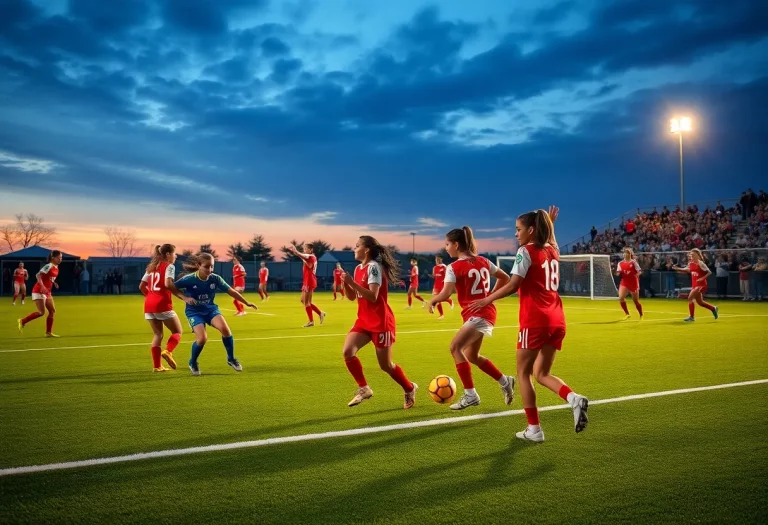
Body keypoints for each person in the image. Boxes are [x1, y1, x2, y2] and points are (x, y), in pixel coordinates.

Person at [467, 207, 589, 443]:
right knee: (542, 373)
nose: (516, 234)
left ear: (531, 230)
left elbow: (513, 285)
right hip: (557, 319)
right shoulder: (553, 250)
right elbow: (550, 239)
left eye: (518, 229)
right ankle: (573, 398)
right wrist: (549, 224)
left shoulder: (526, 251)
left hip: (535, 320)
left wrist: (487, 298)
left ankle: (534, 429)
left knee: (523, 374)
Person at [429, 226, 516, 411]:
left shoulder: (454, 267)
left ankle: (471, 395)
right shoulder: (483, 260)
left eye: (447, 244)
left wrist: (433, 301)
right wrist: (490, 296)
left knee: (455, 347)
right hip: (484, 312)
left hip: (478, 314)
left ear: (457, 244)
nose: (446, 248)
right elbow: (505, 277)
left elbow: (445, 293)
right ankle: (504, 381)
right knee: (472, 355)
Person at [340, 235, 417, 409]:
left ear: (366, 249)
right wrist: (346, 283)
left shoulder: (374, 268)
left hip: (381, 322)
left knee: (386, 366)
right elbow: (352, 297)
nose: (354, 248)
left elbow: (373, 296)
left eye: (357, 245)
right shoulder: (359, 268)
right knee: (348, 351)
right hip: (363, 321)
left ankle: (409, 388)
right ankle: (364, 388)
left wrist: (351, 282)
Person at [174, 253, 257, 375]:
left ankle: (231, 359)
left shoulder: (215, 278)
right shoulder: (189, 279)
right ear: (198, 265)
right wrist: (184, 298)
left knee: (226, 330)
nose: (210, 270)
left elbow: (231, 291)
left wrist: (246, 302)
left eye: (212, 266)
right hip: (194, 312)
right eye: (207, 267)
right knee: (202, 339)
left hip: (211, 310)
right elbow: (171, 287)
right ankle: (193, 362)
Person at [138, 244, 192, 372]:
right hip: (162, 304)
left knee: (158, 334)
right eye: (174, 253)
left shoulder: (151, 267)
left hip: (149, 305)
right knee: (177, 331)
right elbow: (168, 284)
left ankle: (157, 366)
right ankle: (168, 352)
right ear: (168, 254)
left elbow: (141, 286)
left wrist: (151, 297)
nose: (176, 256)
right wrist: (182, 296)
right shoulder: (169, 266)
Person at [17, 250, 62, 338]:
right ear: (53, 258)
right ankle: (22, 321)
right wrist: (42, 286)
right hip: (39, 290)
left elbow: (49, 277)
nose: (60, 259)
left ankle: (48, 332)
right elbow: (38, 275)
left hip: (47, 292)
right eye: (59, 258)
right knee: (41, 312)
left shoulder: (56, 267)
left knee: (52, 311)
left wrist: (54, 282)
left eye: (61, 258)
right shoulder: (48, 266)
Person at [673, 249, 719, 322]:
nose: (692, 256)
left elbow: (709, 272)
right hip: (695, 284)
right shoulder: (690, 263)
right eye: (691, 255)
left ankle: (692, 317)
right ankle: (713, 308)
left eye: (693, 255)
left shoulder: (700, 263)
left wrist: (702, 278)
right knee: (700, 302)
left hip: (701, 284)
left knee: (690, 297)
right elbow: (686, 270)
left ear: (698, 255)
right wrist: (677, 269)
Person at [288, 243, 326, 327]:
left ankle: (311, 321)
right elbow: (301, 255)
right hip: (307, 280)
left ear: (310, 250)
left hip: (309, 280)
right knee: (303, 300)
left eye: (306, 249)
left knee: (307, 302)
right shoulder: (308, 257)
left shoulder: (311, 257)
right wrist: (295, 251)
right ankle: (320, 313)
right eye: (304, 248)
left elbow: (301, 255)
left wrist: (295, 250)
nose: (304, 250)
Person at [615, 248, 643, 320]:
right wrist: (617, 273)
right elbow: (618, 272)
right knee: (621, 298)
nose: (624, 254)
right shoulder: (620, 263)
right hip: (624, 282)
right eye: (624, 253)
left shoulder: (633, 262)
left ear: (630, 254)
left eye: (626, 253)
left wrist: (637, 275)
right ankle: (627, 314)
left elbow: (640, 271)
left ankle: (641, 314)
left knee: (635, 301)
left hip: (633, 282)